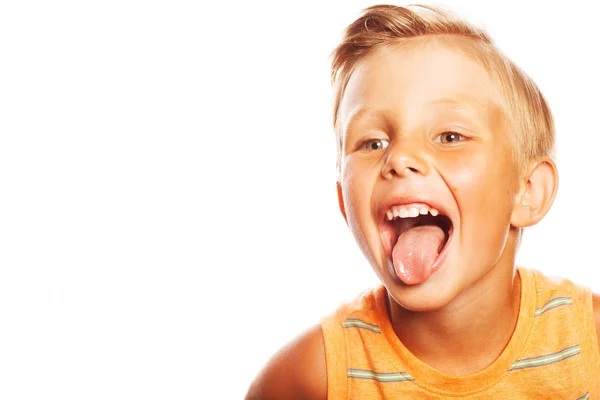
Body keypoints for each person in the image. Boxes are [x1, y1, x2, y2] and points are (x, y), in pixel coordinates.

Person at [246, 4, 600, 399]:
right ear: (345, 203)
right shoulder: (308, 378)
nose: (398, 159)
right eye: (373, 142)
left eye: (449, 137)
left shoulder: (591, 342)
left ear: (528, 190)